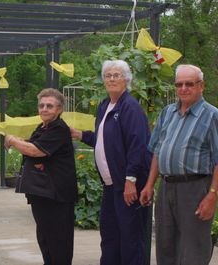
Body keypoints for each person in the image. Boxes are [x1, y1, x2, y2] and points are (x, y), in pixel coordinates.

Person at [71, 60, 151, 265]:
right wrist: (80, 134)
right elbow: (103, 139)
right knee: (110, 236)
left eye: (117, 75)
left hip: (127, 185)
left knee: (131, 239)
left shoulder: (130, 108)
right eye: (108, 75)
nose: (112, 79)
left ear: (127, 79)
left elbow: (138, 146)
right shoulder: (105, 105)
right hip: (111, 185)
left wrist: (130, 180)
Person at [139, 64, 218, 265]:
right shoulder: (168, 112)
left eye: (189, 84)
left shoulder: (212, 116)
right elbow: (157, 150)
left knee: (193, 249)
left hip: (195, 188)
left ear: (201, 86)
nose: (183, 88)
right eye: (179, 84)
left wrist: (212, 195)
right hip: (166, 187)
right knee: (165, 246)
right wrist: (149, 185)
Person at [4, 88, 77, 265]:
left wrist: (13, 141)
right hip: (43, 194)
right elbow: (33, 144)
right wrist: (22, 141)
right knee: (45, 240)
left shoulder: (58, 128)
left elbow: (36, 151)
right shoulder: (43, 127)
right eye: (42, 105)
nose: (44, 109)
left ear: (59, 109)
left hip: (56, 196)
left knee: (58, 242)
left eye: (49, 106)